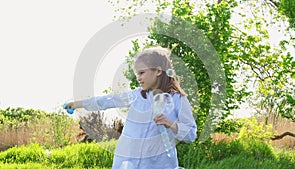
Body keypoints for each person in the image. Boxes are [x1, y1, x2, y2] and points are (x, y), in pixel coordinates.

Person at [65, 46, 197, 169]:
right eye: (137, 74)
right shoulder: (136, 95)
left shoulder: (178, 99)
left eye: (142, 73)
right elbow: (108, 100)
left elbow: (191, 134)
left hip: (159, 164)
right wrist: (78, 104)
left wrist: (170, 124)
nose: (138, 78)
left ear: (157, 71)